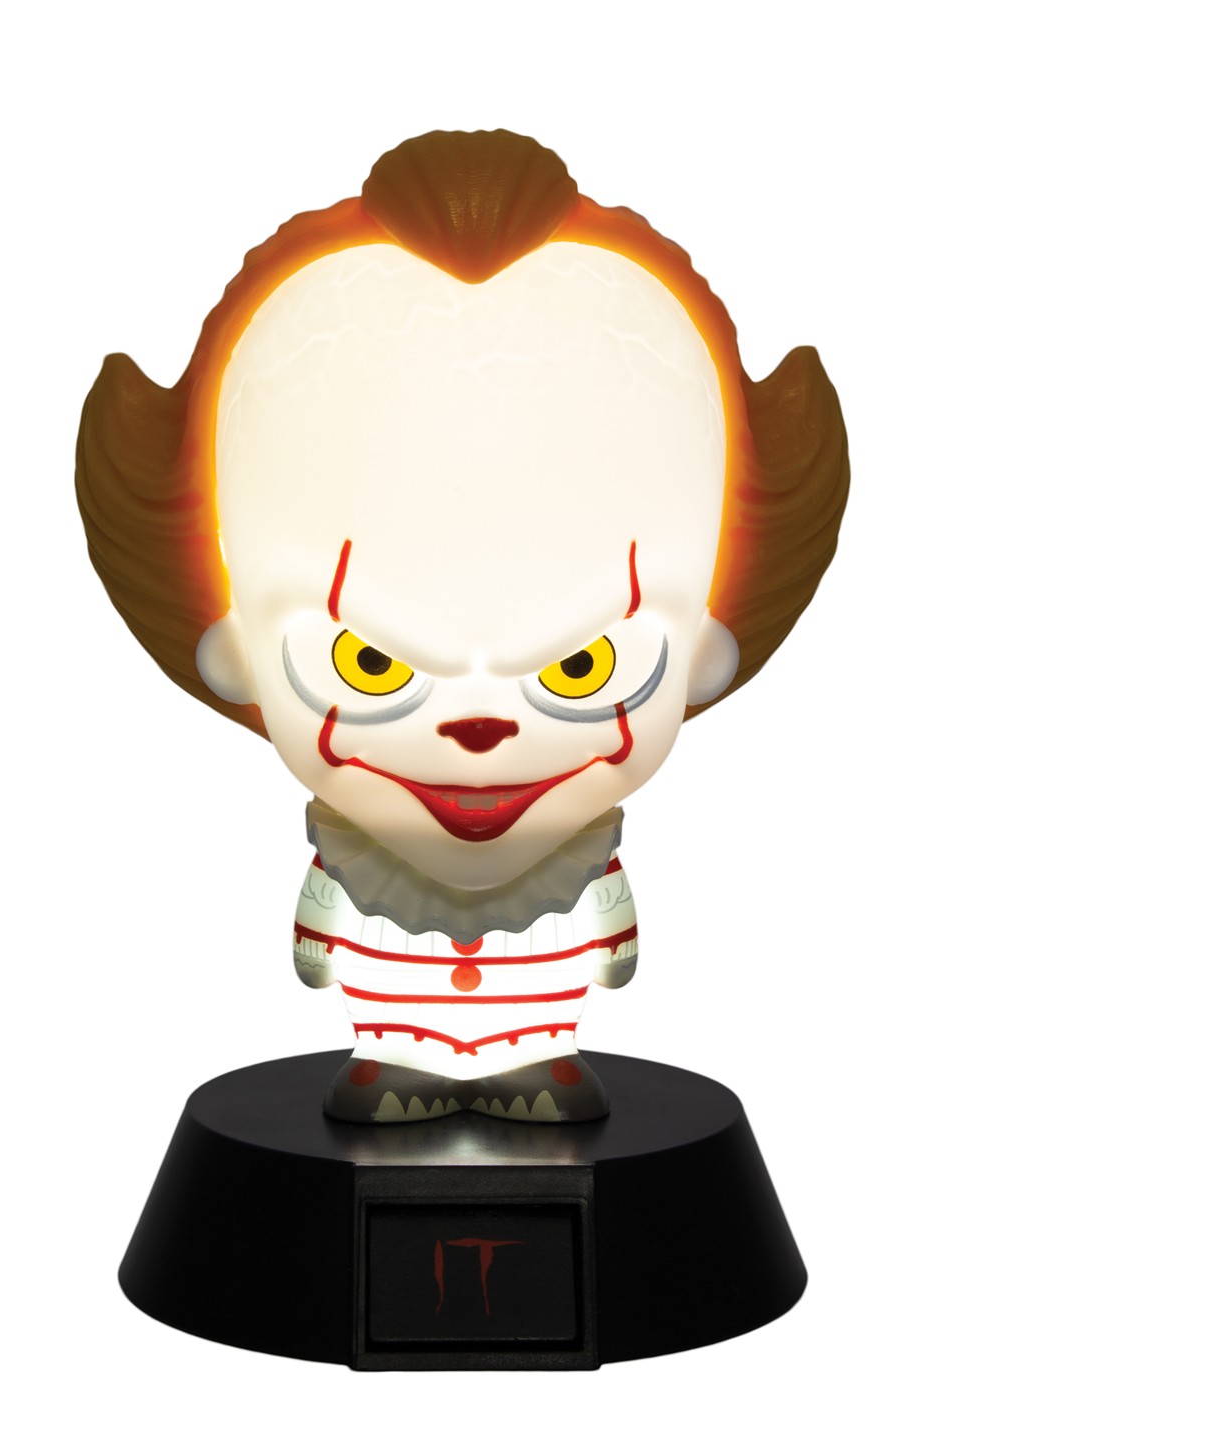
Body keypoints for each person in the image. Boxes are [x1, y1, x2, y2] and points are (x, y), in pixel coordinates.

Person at [76, 130, 848, 1123]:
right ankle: (391, 1060)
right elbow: (319, 943)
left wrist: (612, 931)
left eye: (581, 666)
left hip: (539, 1031)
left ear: (707, 648)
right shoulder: (353, 857)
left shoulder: (582, 856)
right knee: (390, 1036)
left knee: (540, 1038)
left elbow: (611, 942)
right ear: (233, 653)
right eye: (367, 661)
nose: (479, 726)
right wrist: (318, 931)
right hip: (389, 1031)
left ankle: (538, 1060)